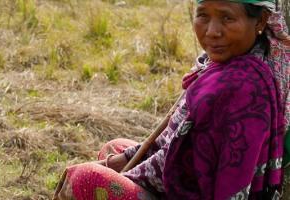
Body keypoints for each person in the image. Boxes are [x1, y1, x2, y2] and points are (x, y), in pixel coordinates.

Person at [53, 0, 290, 199]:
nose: (212, 31)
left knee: (83, 178)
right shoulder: (229, 63)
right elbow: (172, 141)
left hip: (188, 192)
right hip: (177, 176)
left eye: (227, 18)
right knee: (114, 148)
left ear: (260, 20)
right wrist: (122, 162)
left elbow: (182, 162)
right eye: (203, 15)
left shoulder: (240, 87)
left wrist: (122, 175)